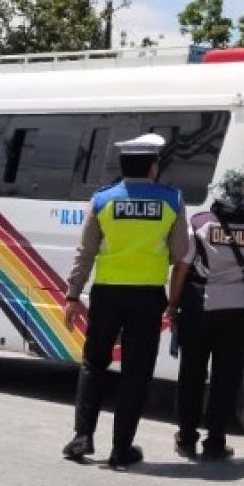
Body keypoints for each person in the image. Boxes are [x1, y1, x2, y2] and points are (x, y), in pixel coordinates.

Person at [61, 133, 189, 469]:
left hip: (107, 293)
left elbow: (85, 252)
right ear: (152, 167)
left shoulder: (103, 200)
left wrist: (72, 295)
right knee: (136, 371)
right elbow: (180, 253)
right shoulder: (172, 200)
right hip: (147, 297)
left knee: (94, 363)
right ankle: (121, 449)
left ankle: (82, 437)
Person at [166, 170, 244, 461]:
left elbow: (182, 267)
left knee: (192, 372)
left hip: (199, 309)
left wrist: (173, 304)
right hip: (238, 312)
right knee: (226, 376)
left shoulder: (200, 224)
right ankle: (215, 441)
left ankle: (186, 437)